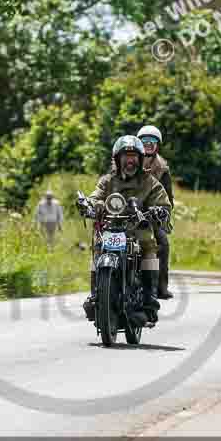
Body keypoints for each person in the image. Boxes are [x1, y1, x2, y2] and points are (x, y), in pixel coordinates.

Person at [79, 135, 172, 324]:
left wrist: (158, 211)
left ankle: (149, 299)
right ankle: (96, 294)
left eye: (134, 157)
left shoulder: (150, 181)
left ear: (139, 159)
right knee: (97, 248)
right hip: (111, 228)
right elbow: (95, 195)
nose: (130, 161)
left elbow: (164, 202)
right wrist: (92, 205)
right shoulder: (107, 180)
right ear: (117, 159)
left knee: (149, 249)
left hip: (138, 230)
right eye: (125, 157)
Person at [137, 125, 175, 299]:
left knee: (163, 243)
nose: (148, 145)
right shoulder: (126, 159)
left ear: (157, 145)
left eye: (152, 142)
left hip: (150, 214)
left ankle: (161, 287)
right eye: (144, 141)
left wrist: (162, 211)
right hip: (127, 210)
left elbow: (168, 197)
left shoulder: (162, 168)